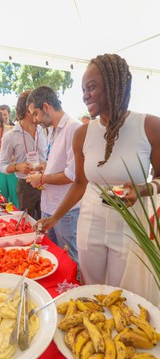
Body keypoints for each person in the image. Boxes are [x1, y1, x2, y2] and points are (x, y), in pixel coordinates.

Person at [35, 54, 160, 287]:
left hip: (129, 225)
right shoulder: (82, 133)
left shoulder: (150, 126)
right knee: (92, 288)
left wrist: (142, 189)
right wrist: (55, 217)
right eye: (83, 89)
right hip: (90, 222)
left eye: (91, 87)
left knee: (120, 291)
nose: (85, 95)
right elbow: (80, 183)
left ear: (115, 86)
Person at [25, 86, 81, 264]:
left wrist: (41, 178)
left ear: (46, 107)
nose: (35, 120)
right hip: (49, 205)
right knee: (52, 258)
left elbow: (72, 174)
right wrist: (43, 168)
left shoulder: (74, 128)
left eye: (36, 113)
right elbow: (58, 162)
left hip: (66, 210)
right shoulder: (53, 129)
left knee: (69, 259)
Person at [0, 89, 47, 219]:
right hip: (26, 187)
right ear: (28, 111)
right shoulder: (10, 136)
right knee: (28, 223)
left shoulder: (42, 131)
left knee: (46, 224)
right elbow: (2, 165)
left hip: (45, 182)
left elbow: (47, 157)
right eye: (37, 109)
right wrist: (17, 167)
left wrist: (44, 165)